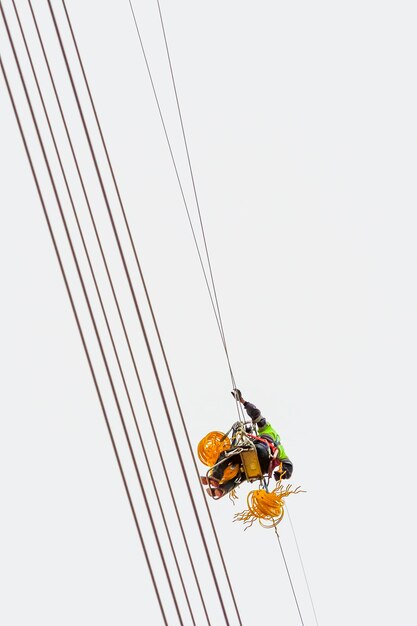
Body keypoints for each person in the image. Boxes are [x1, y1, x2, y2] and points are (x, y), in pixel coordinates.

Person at [203, 389, 293, 498]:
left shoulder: (268, 430)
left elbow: (256, 414)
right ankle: (222, 490)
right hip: (262, 467)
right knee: (241, 475)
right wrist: (280, 474)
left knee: (226, 455)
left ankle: (215, 477)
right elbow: (289, 466)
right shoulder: (281, 451)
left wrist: (242, 401)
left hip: (260, 450)